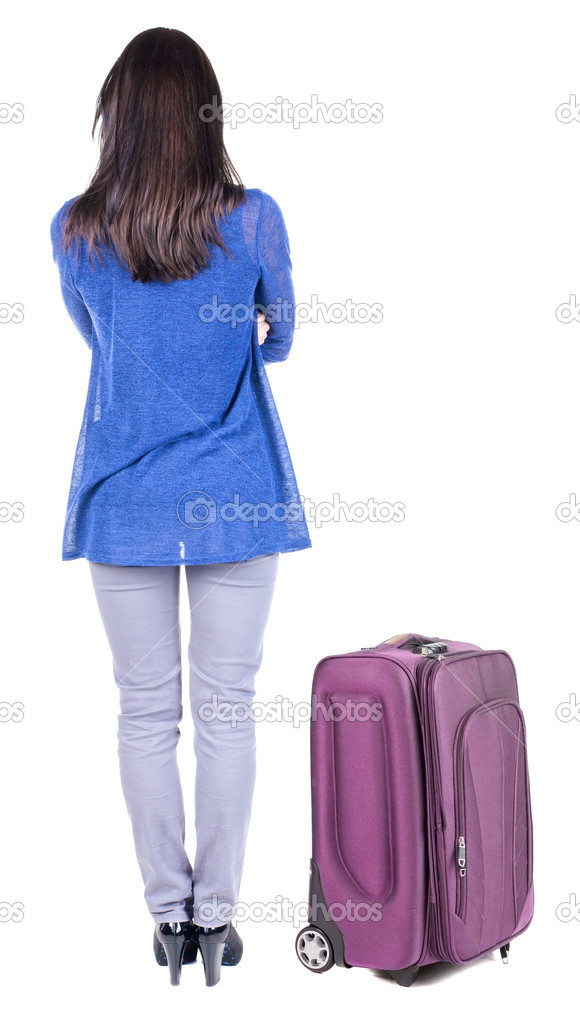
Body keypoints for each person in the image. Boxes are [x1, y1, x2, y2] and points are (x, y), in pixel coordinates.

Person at [50, 25, 311, 988]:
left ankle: (168, 922)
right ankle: (218, 922)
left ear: (114, 119)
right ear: (207, 116)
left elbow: (100, 339)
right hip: (236, 495)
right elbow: (279, 337)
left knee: (145, 712)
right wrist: (233, 335)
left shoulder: (75, 232)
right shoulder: (254, 220)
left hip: (125, 503)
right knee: (227, 711)